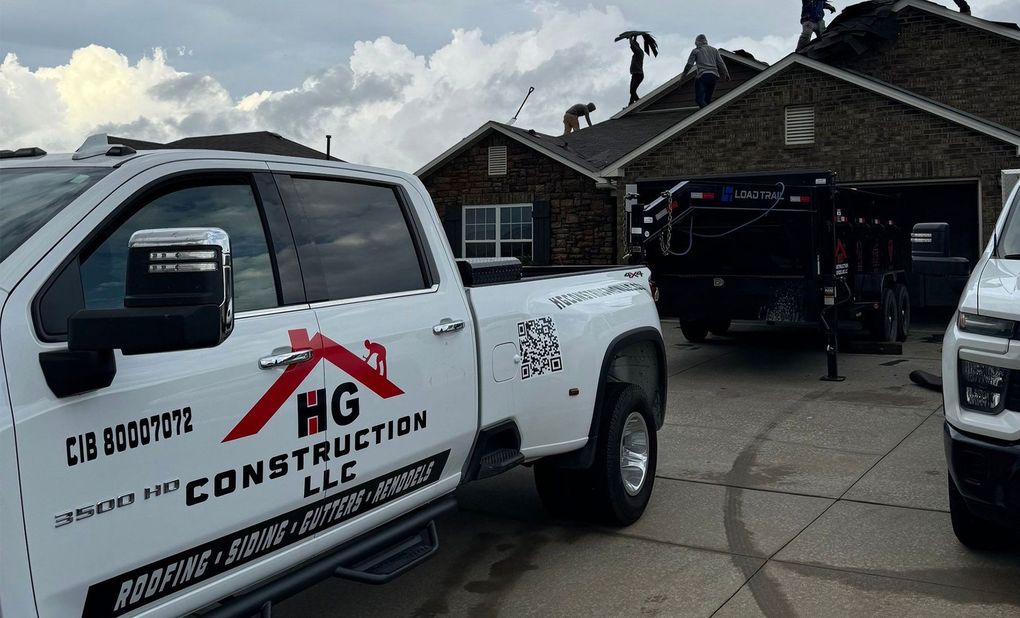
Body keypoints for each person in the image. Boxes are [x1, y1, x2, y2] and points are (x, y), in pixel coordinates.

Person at [684, 35, 730, 109]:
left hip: (703, 76)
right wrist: (726, 74)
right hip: (713, 77)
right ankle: (707, 111)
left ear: (697, 42)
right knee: (707, 100)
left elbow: (689, 65)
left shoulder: (696, 50)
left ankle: (704, 111)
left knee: (699, 99)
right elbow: (721, 63)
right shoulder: (714, 50)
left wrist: (683, 76)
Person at [629, 36, 645, 105]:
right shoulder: (638, 51)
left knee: (632, 91)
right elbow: (634, 45)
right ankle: (632, 104)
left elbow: (633, 45)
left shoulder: (639, 52)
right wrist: (634, 37)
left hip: (638, 75)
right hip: (635, 74)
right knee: (632, 91)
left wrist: (630, 38)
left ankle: (636, 103)